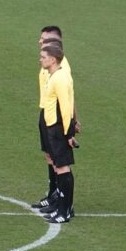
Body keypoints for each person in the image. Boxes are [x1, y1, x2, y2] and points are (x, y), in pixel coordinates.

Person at [36, 40, 76, 225]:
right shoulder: (54, 75)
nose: (40, 59)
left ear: (52, 59)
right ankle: (61, 207)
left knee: (62, 167)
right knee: (57, 166)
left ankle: (65, 211)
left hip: (59, 128)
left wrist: (68, 133)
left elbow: (66, 107)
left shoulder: (60, 78)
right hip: (52, 125)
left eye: (43, 57)